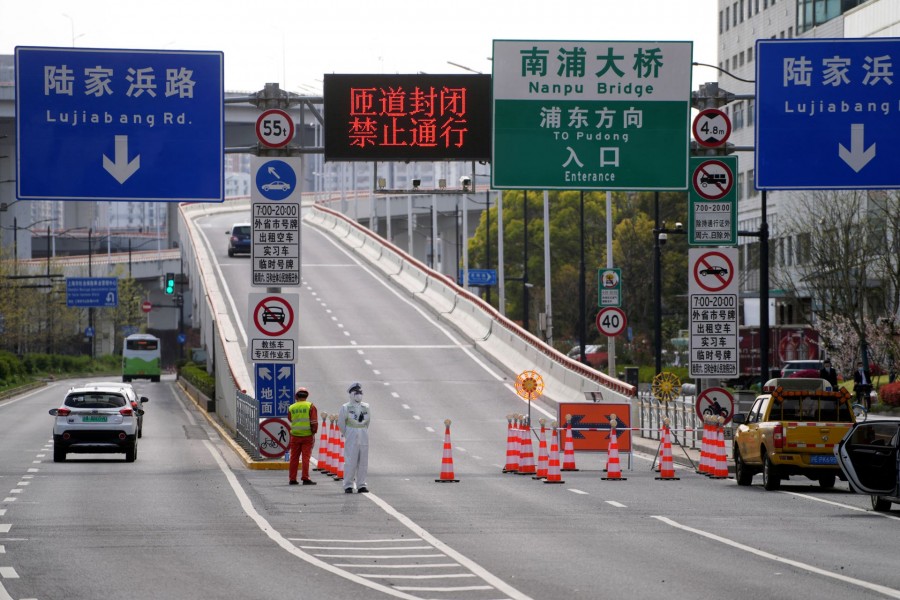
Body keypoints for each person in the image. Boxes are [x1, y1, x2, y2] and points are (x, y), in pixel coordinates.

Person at [339, 382, 370, 493]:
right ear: (351, 394)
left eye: (360, 392)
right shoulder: (345, 407)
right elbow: (341, 423)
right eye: (356, 393)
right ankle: (348, 485)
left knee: (363, 461)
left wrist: (362, 431)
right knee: (350, 461)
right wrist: (348, 433)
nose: (359, 395)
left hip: (363, 435)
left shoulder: (366, 407)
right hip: (351, 436)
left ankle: (361, 484)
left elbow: (368, 422)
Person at [287, 387, 318, 486]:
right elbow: (314, 421)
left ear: (296, 397)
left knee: (294, 458)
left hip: (295, 436)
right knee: (305, 458)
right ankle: (305, 478)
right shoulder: (310, 406)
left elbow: (290, 419)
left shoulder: (292, 407)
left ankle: (292, 479)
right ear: (306, 396)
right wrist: (314, 432)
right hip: (307, 436)